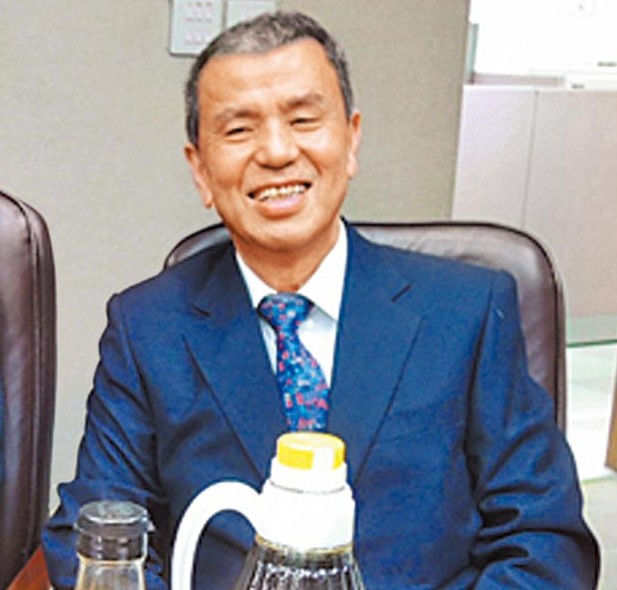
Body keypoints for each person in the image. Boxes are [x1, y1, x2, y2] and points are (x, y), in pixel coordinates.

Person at [43, 10, 599, 590]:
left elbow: (546, 542)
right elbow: (94, 532)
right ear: (201, 170)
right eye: (239, 130)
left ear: (351, 139)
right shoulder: (147, 328)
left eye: (304, 119)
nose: (277, 151)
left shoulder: (468, 312)